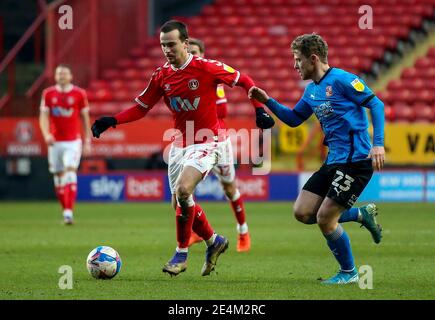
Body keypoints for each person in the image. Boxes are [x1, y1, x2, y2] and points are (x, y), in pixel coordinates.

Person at [91, 20, 274, 277]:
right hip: (180, 145)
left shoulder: (206, 67)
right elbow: (142, 108)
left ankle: (181, 253)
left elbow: (244, 80)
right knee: (179, 202)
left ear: (185, 43)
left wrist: (259, 111)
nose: (167, 49)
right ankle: (214, 242)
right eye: (163, 45)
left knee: (184, 190)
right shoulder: (161, 75)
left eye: (172, 44)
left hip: (207, 141)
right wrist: (113, 120)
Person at [249, 33, 384, 284]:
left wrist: (378, 145)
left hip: (356, 161)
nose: (295, 65)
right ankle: (360, 215)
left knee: (324, 218)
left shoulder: (343, 80)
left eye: (298, 60)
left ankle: (349, 273)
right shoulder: (312, 91)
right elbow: (292, 119)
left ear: (313, 59)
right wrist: (267, 101)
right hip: (334, 160)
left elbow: (376, 105)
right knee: (302, 213)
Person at [187, 38, 251, 252]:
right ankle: (196, 233)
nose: (192, 55)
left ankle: (243, 230)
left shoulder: (211, 75)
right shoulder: (181, 76)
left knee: (229, 188)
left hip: (217, 141)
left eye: (195, 52)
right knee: (186, 190)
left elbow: (223, 111)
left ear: (203, 53)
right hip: (191, 140)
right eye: (189, 52)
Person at [39, 64, 92, 225]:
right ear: (55, 76)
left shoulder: (79, 93)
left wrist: (87, 140)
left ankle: (69, 213)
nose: (61, 75)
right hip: (55, 143)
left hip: (73, 141)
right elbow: (43, 117)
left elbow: (85, 118)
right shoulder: (48, 94)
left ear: (70, 76)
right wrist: (46, 134)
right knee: (58, 177)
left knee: (70, 171)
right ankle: (65, 211)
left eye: (64, 73)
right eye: (59, 73)